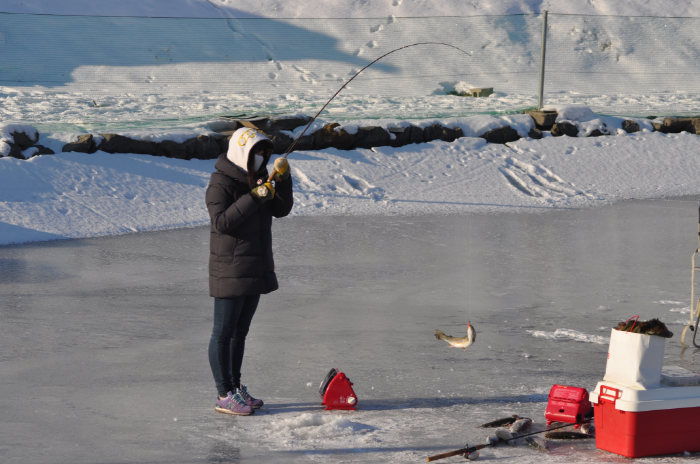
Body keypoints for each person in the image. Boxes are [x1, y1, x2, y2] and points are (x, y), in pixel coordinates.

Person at [205, 127, 293, 415]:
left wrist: (283, 179)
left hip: (254, 266)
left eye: (264, 156)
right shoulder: (219, 184)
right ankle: (223, 394)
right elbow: (222, 222)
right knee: (223, 332)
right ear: (242, 154)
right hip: (229, 268)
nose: (260, 161)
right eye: (256, 155)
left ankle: (236, 388)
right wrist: (255, 196)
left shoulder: (256, 179)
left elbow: (281, 210)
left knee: (239, 333)